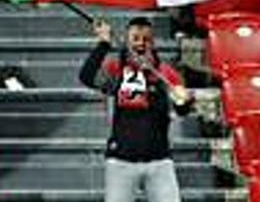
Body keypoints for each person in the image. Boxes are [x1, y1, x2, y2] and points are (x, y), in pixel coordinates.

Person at [78, 17, 194, 202]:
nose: (141, 43)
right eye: (136, 38)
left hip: (159, 161)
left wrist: (185, 101)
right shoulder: (116, 69)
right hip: (121, 162)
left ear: (153, 42)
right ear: (127, 40)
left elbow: (183, 110)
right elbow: (86, 77)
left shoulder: (166, 73)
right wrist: (103, 44)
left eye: (146, 39)